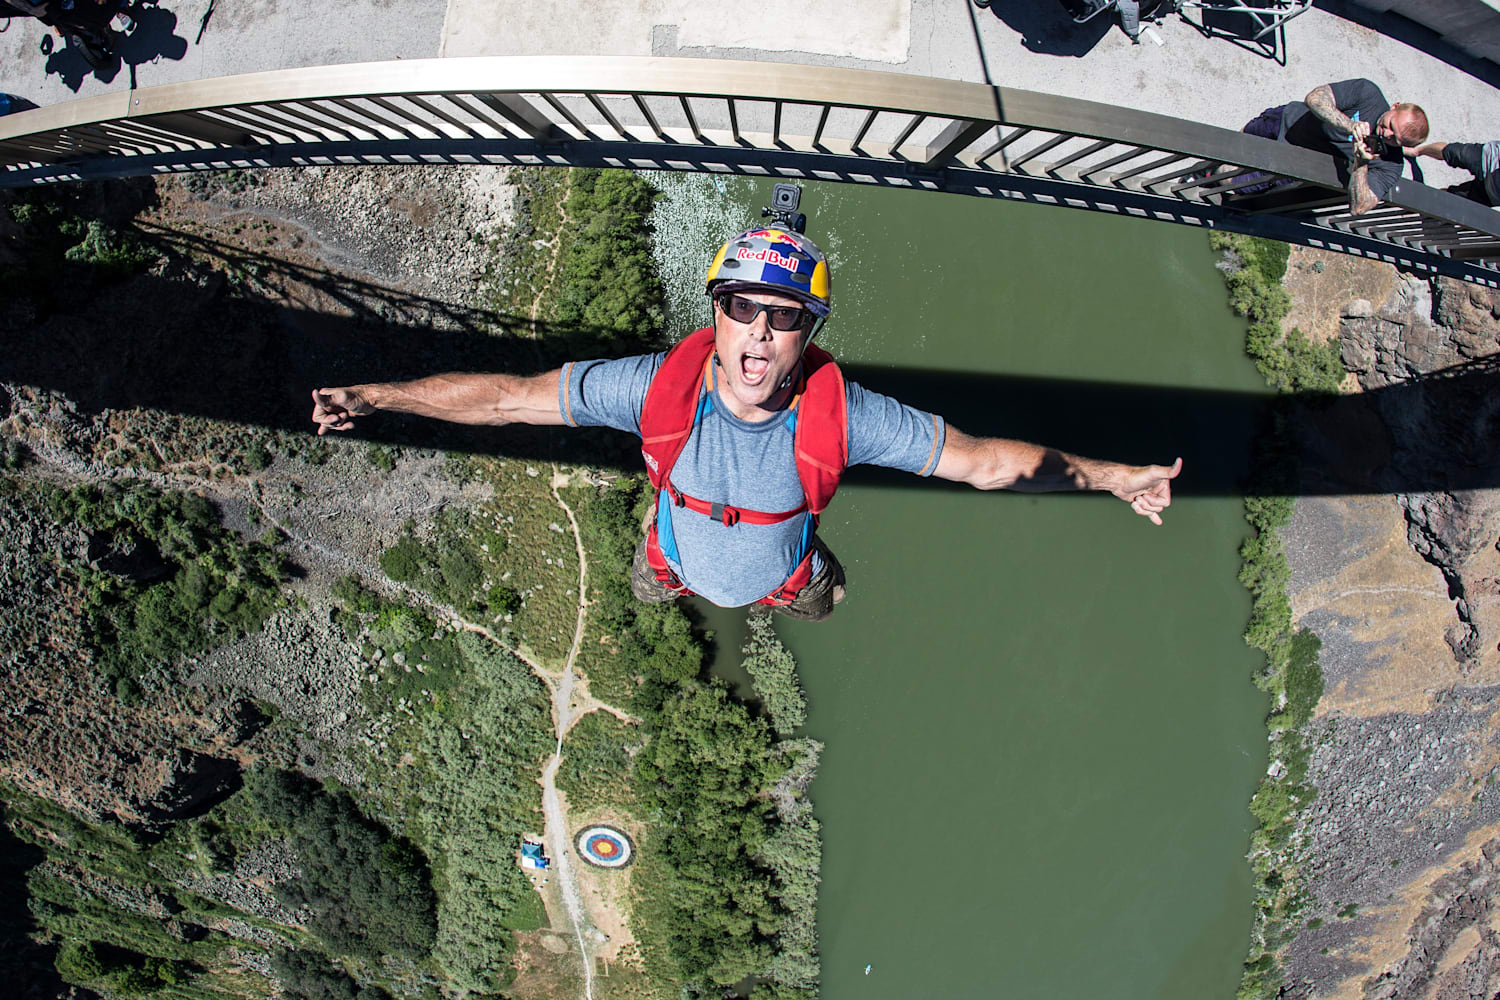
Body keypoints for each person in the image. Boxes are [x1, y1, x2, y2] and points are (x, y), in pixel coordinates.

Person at [312, 225, 1182, 622]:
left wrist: (1115, 477)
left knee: (824, 598)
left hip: (781, 570)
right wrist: (375, 396)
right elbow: (505, 397)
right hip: (678, 561)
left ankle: (792, 587)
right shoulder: (658, 388)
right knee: (652, 582)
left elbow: (989, 463)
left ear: (810, 335)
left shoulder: (842, 416)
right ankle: (697, 581)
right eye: (743, 309)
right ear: (717, 314)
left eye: (786, 317)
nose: (761, 333)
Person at [1240, 79, 1428, 215]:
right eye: (1391, 126)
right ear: (1395, 106)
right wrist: (1350, 126)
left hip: (1291, 164)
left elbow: (1360, 207)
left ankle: (1212, 177)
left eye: (1396, 140)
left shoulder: (1392, 164)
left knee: (1235, 183)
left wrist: (1360, 164)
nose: (1386, 135)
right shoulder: (1368, 93)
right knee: (1240, 140)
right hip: (1285, 121)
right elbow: (1315, 98)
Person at [1408, 140, 1500, 208]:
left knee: (1450, 199)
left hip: (1492, 193)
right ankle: (1417, 150)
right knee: (1450, 152)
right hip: (1490, 157)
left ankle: (1421, 198)